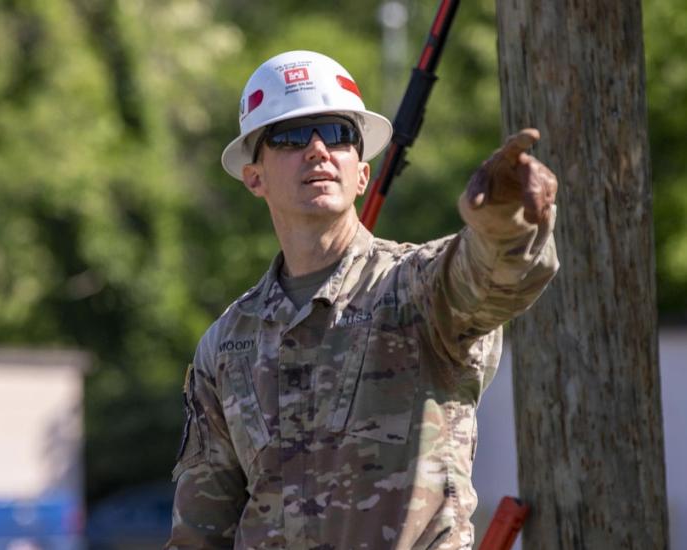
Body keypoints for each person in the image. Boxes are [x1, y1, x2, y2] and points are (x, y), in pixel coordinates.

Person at [166, 50, 558, 550]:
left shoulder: (416, 289)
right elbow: (200, 531)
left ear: (362, 174)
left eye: (335, 133)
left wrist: (504, 222)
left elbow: (490, 276)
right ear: (254, 177)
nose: (316, 150)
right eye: (289, 136)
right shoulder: (228, 344)